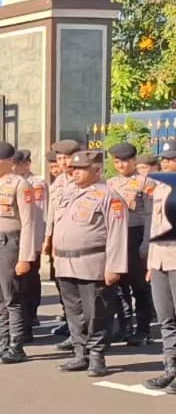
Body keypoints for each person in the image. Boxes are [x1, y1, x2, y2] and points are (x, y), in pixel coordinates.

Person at [51, 150, 127, 377]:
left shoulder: (109, 196)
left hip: (92, 263)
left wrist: (114, 266)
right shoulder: (69, 193)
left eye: (81, 169)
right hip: (65, 262)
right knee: (73, 312)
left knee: (96, 313)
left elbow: (118, 234)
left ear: (97, 170)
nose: (75, 173)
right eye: (73, 169)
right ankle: (79, 353)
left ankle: (97, 357)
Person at [0, 142, 36, 364]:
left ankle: (16, 345)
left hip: (9, 243)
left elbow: (29, 223)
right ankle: (2, 342)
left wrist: (25, 257)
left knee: (12, 298)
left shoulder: (21, 184)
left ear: (9, 161)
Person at [106, 142, 156, 345]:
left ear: (134, 161)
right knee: (119, 285)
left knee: (140, 287)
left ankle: (143, 330)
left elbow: (150, 215)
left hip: (136, 235)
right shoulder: (109, 183)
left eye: (125, 161)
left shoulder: (146, 183)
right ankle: (125, 326)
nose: (121, 166)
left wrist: (147, 243)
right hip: (117, 237)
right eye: (117, 162)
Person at [144, 144, 176, 391]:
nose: (166, 164)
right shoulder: (160, 188)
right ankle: (170, 369)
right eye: (164, 160)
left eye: (171, 159)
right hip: (160, 261)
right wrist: (150, 263)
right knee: (165, 318)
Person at [45, 139, 81, 338]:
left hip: (80, 244)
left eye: (67, 157)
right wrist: (48, 238)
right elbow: (52, 212)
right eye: (60, 159)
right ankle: (71, 326)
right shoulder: (58, 182)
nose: (64, 163)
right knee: (64, 287)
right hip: (60, 242)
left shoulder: (84, 179)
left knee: (82, 291)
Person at [13, 149, 46, 342]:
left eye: (19, 164)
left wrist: (38, 241)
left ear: (27, 164)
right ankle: (21, 321)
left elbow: (40, 214)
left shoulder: (36, 184)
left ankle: (30, 315)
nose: (16, 167)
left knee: (29, 281)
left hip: (31, 238)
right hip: (14, 239)